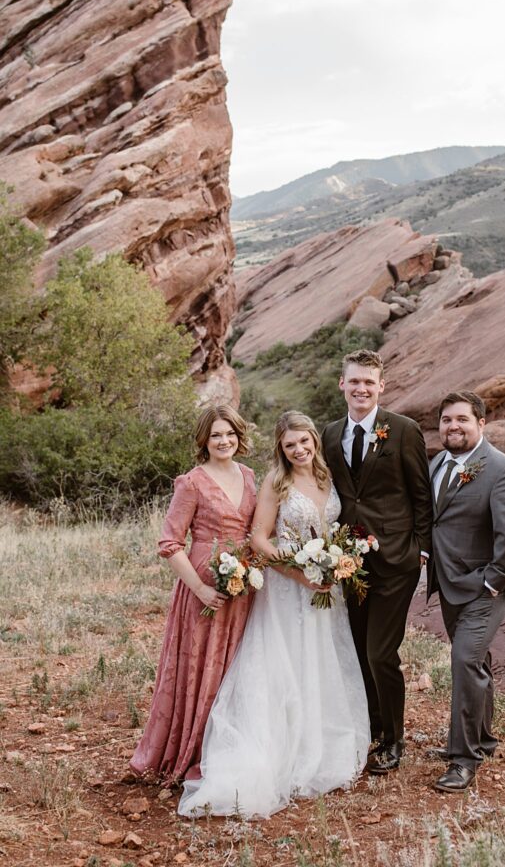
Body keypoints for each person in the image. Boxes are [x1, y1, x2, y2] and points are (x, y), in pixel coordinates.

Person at [178, 411, 370, 819]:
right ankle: (278, 754)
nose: (299, 450)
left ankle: (320, 749)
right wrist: (301, 566)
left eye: (304, 442)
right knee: (284, 667)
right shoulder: (275, 481)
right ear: (280, 450)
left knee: (321, 664)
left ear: (315, 440)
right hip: (288, 590)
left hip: (325, 587)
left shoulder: (327, 477)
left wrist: (332, 564)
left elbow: (332, 529)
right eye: (290, 445)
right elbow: (259, 541)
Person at [129, 404, 257, 782]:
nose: (224, 441)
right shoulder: (193, 482)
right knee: (201, 666)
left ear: (239, 437)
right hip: (202, 586)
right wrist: (200, 588)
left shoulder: (249, 476)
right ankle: (190, 748)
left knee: (235, 664)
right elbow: (170, 543)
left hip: (243, 586)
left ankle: (226, 747)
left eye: (230, 433)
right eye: (216, 434)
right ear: (204, 440)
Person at [321, 349, 433, 773]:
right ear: (342, 385)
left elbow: (421, 493)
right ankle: (369, 726)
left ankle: (394, 740)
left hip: (396, 560)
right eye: (355, 381)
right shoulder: (330, 434)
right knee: (357, 648)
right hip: (350, 562)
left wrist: (421, 548)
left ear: (381, 387)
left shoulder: (402, 430)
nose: (362, 388)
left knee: (380, 653)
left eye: (369, 382)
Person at [427, 390, 505, 792]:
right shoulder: (438, 463)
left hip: (486, 588)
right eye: (447, 419)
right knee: (476, 662)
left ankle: (463, 760)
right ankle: (483, 740)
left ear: (481, 423)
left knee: (464, 662)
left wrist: (493, 581)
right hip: (450, 584)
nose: (453, 426)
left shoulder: (503, 469)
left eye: (462, 420)